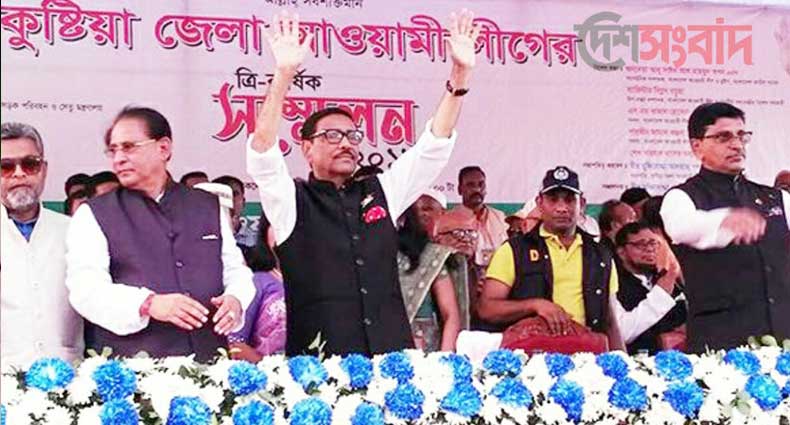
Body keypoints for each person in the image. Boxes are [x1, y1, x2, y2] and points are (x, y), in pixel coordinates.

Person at [246, 10, 480, 356]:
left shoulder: (382, 191)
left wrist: (460, 75)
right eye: (332, 135)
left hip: (391, 361)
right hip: (319, 367)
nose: (346, 143)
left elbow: (432, 148)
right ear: (306, 148)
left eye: (353, 136)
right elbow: (263, 154)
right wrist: (283, 76)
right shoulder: (292, 201)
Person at [65, 106, 255, 361]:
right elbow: (86, 289)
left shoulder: (206, 205)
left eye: (129, 147)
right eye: (113, 150)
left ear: (163, 148)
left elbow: (235, 269)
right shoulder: (95, 214)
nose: (118, 158)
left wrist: (235, 298)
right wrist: (148, 304)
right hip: (133, 368)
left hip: (209, 362)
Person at [478, 166, 672, 347]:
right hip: (531, 356)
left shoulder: (600, 254)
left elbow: (609, 320)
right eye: (553, 199)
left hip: (586, 358)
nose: (562, 207)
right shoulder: (514, 250)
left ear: (582, 204)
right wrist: (535, 305)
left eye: (570, 199)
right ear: (540, 203)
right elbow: (487, 309)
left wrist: (621, 361)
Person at [660, 102, 790, 352]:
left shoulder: (777, 198)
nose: (736, 145)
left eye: (741, 136)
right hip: (721, 345)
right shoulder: (682, 197)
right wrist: (723, 220)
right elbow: (681, 227)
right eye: (723, 137)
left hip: (783, 340)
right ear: (697, 146)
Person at [1, 122, 83, 368]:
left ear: (44, 170)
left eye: (30, 164)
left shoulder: (74, 231)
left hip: (69, 377)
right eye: (5, 167)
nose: (19, 174)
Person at [398, 204, 468, 351]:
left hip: (425, 350)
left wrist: (443, 357)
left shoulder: (431, 256)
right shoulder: (369, 256)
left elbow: (450, 314)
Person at [614, 222, 687, 354]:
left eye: (654, 243)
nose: (649, 249)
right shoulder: (614, 284)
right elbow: (623, 332)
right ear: (621, 252)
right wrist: (663, 292)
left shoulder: (664, 277)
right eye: (640, 244)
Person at [451, 166, 508, 268]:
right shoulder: (449, 221)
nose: (477, 189)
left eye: (481, 184)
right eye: (470, 185)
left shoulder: (500, 217)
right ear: (459, 189)